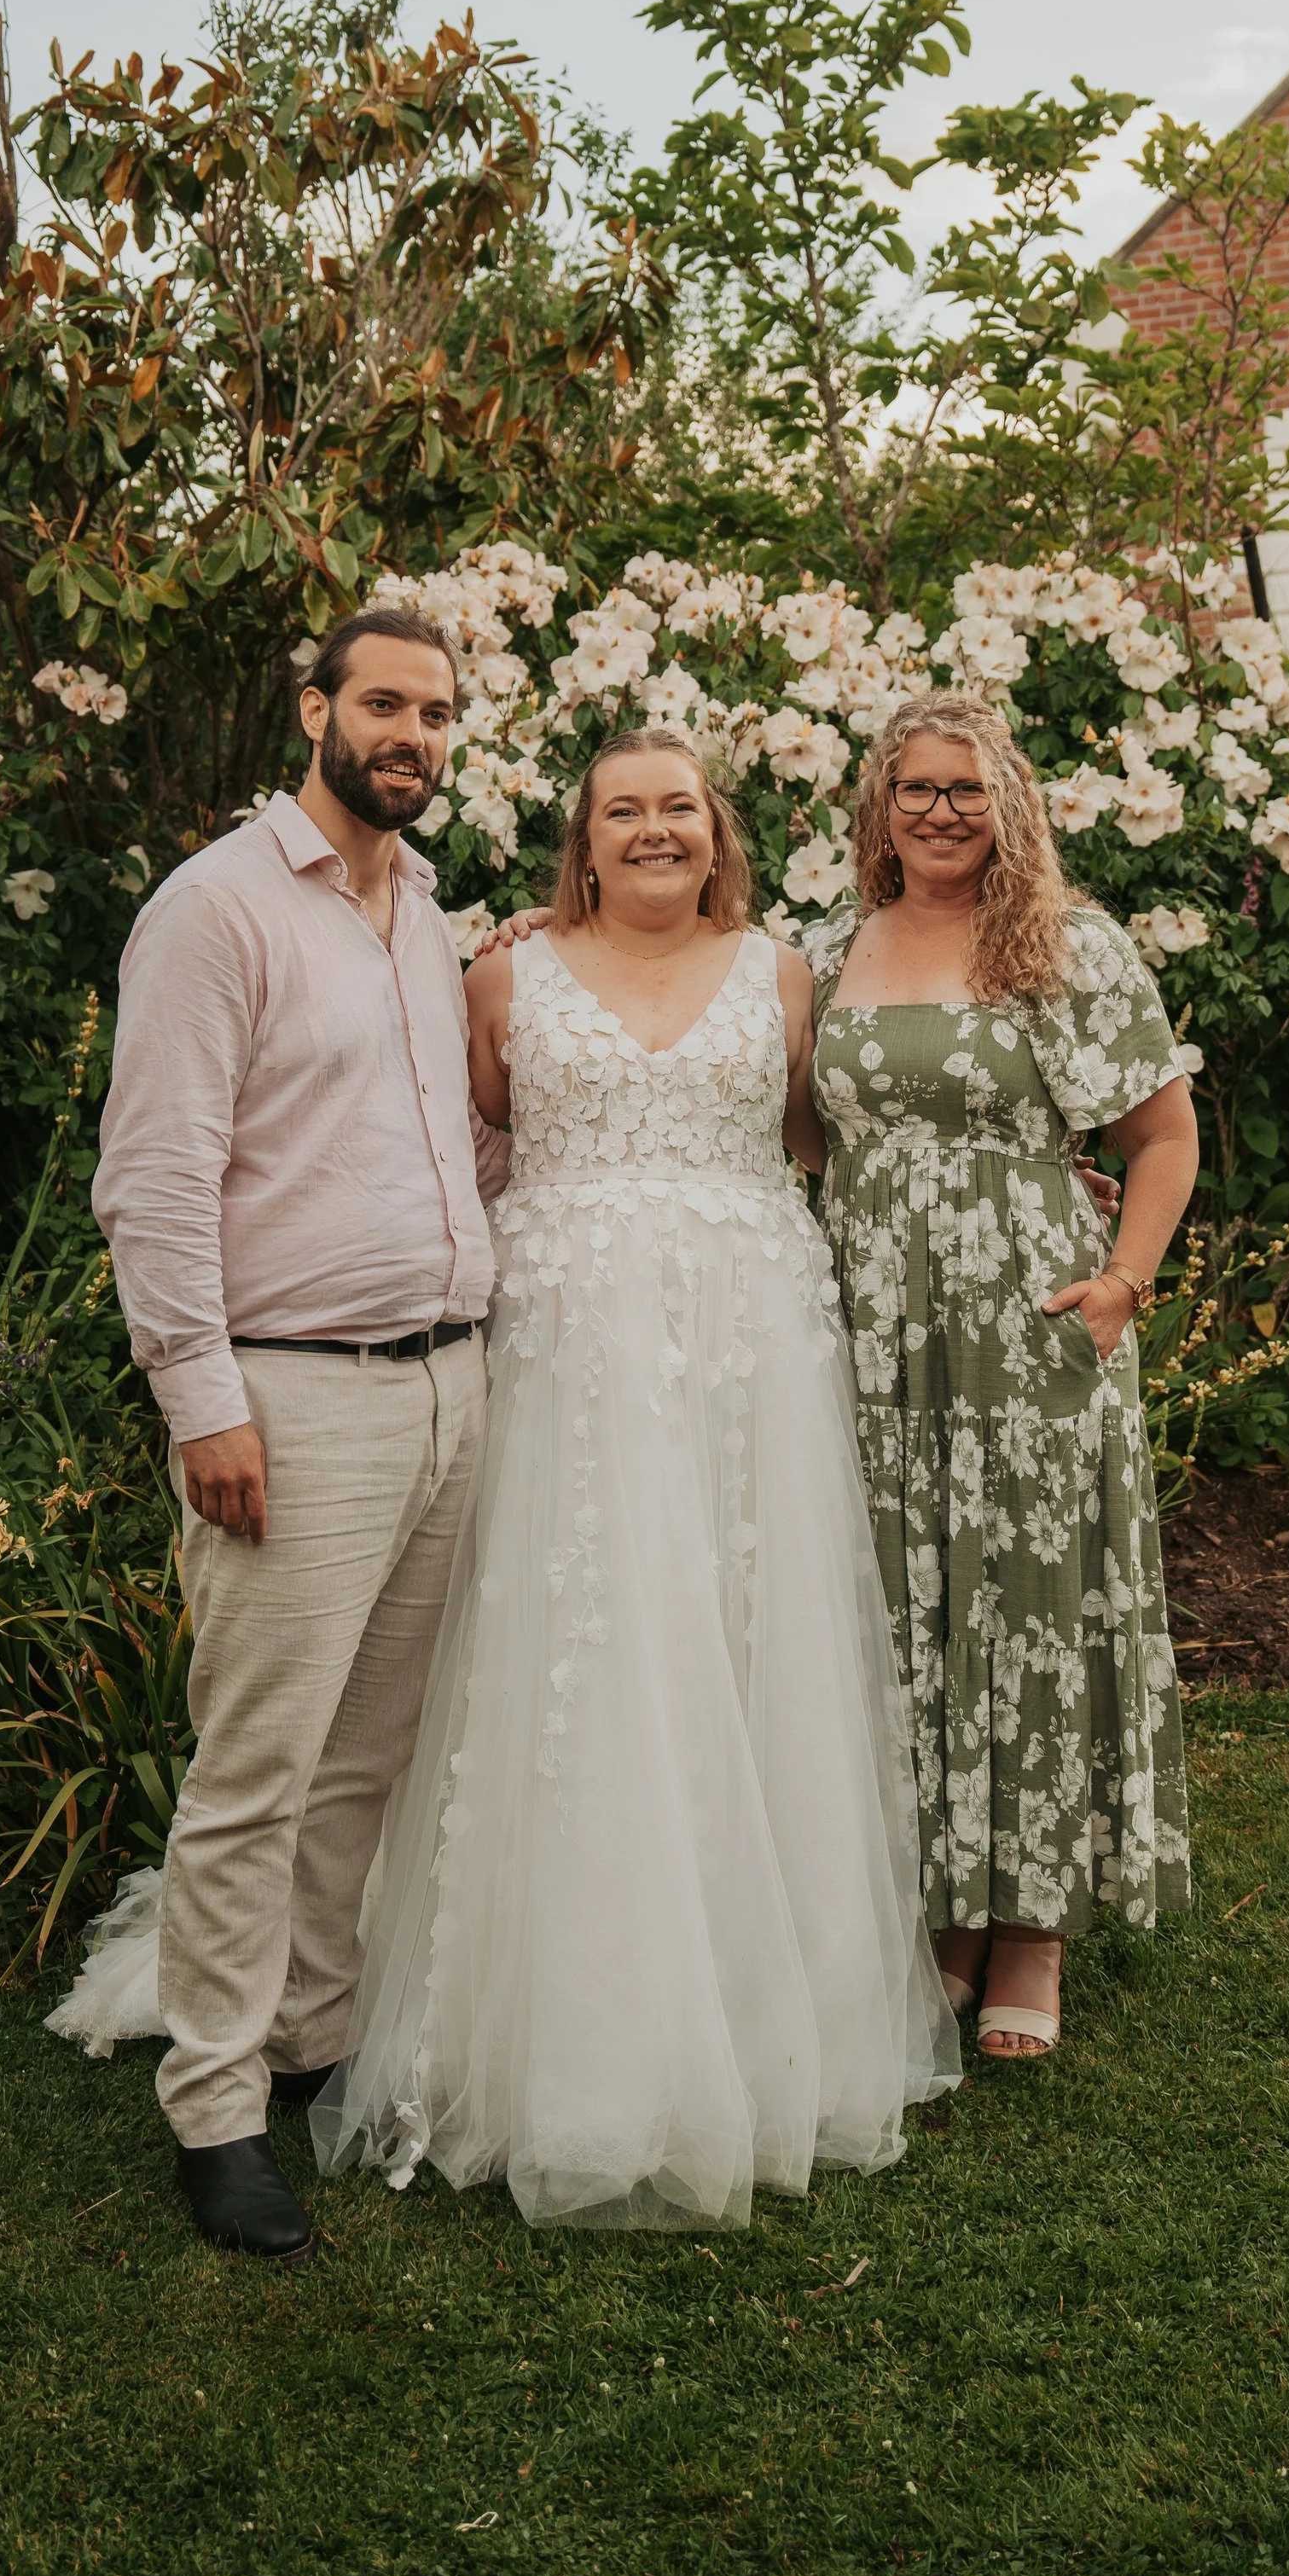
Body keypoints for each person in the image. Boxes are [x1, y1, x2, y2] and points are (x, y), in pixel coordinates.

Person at [311, 728, 958, 2229]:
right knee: (586, 1650)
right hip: (570, 1353)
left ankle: (764, 2008)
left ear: (716, 833)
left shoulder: (784, 970)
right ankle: (566, 2031)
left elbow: (820, 1138)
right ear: (582, 843)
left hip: (751, 1349)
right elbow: (468, 1132)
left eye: (680, 807)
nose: (655, 828)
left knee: (749, 1640)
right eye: (624, 811)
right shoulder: (503, 974)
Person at [79, 606, 498, 2263]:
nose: (411, 732)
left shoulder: (422, 915)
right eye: (383, 702)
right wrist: (205, 1402)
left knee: (368, 1762)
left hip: (447, 1388)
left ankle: (312, 2039)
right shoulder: (217, 910)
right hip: (292, 1399)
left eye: (436, 711)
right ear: (314, 707)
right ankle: (214, 2107)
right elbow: (154, 1179)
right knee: (257, 1768)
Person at [802, 690, 1199, 2063]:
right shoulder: (830, 943)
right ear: (878, 804)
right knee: (908, 1595)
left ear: (1010, 800)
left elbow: (1163, 1135)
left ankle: (1032, 1922)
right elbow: (796, 1127)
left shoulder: (1064, 945)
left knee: (1026, 1598)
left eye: (968, 789)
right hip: (868, 1324)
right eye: (915, 788)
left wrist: (1121, 1286)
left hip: (1027, 1314)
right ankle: (945, 1905)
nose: (941, 813)